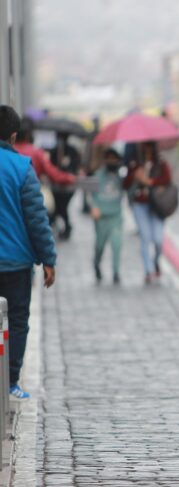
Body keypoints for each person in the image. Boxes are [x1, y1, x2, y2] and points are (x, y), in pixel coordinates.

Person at [0, 105, 57, 400]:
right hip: (15, 263)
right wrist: (48, 259)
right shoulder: (22, 168)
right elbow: (37, 219)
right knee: (17, 320)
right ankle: (9, 382)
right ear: (13, 135)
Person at [123, 141, 172, 284]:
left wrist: (149, 181)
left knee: (157, 239)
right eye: (145, 147)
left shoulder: (161, 164)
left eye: (150, 147)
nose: (147, 150)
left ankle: (156, 261)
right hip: (140, 204)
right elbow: (125, 185)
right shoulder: (135, 164)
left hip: (156, 206)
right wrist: (134, 176)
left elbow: (167, 180)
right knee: (145, 237)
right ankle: (148, 270)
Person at [91, 149, 126, 284]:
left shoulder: (121, 177)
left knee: (117, 244)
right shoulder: (98, 175)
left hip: (115, 216)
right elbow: (92, 194)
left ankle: (116, 272)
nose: (112, 161)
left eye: (114, 159)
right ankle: (96, 263)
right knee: (99, 246)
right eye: (109, 158)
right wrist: (94, 206)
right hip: (101, 218)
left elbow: (129, 190)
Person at [14, 118, 77, 186]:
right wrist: (68, 177)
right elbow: (54, 175)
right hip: (28, 193)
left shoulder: (5, 151)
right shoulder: (37, 152)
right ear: (28, 134)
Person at [48, 132, 82, 240]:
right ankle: (60, 226)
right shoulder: (54, 151)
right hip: (56, 185)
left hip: (68, 186)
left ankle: (66, 227)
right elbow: (50, 167)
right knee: (58, 207)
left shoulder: (72, 151)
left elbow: (76, 167)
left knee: (63, 207)